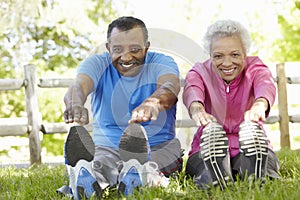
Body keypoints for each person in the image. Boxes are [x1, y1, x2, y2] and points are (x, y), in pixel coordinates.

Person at [58, 16, 183, 199]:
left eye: (135, 50)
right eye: (118, 50)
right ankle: (85, 177)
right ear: (108, 48)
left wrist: (153, 102)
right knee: (100, 166)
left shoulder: (162, 62)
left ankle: (141, 174)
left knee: (151, 166)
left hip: (158, 146)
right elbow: (78, 86)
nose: (126, 57)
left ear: (146, 47)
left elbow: (170, 87)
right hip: (106, 147)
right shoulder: (96, 64)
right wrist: (75, 103)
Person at [182, 19, 280, 190]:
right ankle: (216, 172)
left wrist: (260, 104)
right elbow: (192, 90)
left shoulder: (255, 67)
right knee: (203, 167)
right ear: (210, 55)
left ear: (244, 53)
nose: (227, 63)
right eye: (218, 56)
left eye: (234, 55)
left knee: (264, 163)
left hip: (249, 144)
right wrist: (197, 109)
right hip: (205, 147)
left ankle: (255, 170)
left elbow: (266, 84)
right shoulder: (200, 72)